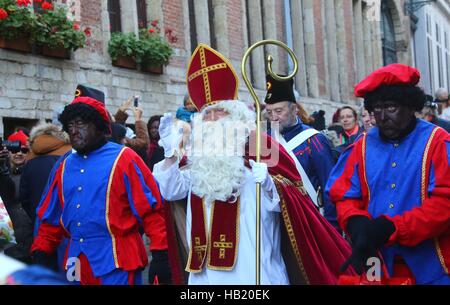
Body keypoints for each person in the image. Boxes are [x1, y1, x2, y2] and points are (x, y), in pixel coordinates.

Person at [153, 44, 353, 285]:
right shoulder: (196, 157)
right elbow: (171, 191)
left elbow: (294, 203)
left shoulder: (262, 148)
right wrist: (170, 153)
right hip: (205, 274)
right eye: (207, 114)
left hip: (255, 269)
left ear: (237, 116)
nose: (213, 120)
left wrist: (271, 184)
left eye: (221, 112)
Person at [30, 84, 171, 285]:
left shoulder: (125, 158)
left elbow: (152, 212)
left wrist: (161, 253)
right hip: (75, 262)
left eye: (80, 124)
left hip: (117, 259)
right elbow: (50, 220)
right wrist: (42, 253)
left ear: (98, 126)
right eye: (70, 126)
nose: (74, 131)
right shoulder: (64, 165)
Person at [326, 63, 450, 284]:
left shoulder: (438, 142)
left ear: (410, 106)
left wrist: (394, 227)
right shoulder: (361, 147)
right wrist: (355, 222)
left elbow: (445, 203)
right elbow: (344, 195)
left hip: (433, 267)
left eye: (391, 107)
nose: (382, 117)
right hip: (377, 265)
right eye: (377, 109)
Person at [264, 74, 338, 229]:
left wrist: (332, 228)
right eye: (269, 112)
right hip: (275, 224)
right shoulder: (264, 140)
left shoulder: (314, 140)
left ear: (294, 109)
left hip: (309, 222)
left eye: (279, 111)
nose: (274, 117)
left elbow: (330, 187)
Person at [20, 123, 72, 224]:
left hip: (39, 222)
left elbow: (24, 197)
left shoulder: (30, 163)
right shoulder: (70, 159)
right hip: (67, 225)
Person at [0, 130, 33, 264]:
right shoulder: (4, 173)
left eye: (24, 150)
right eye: (15, 150)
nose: (19, 153)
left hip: (31, 241)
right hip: (8, 241)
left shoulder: (33, 172)